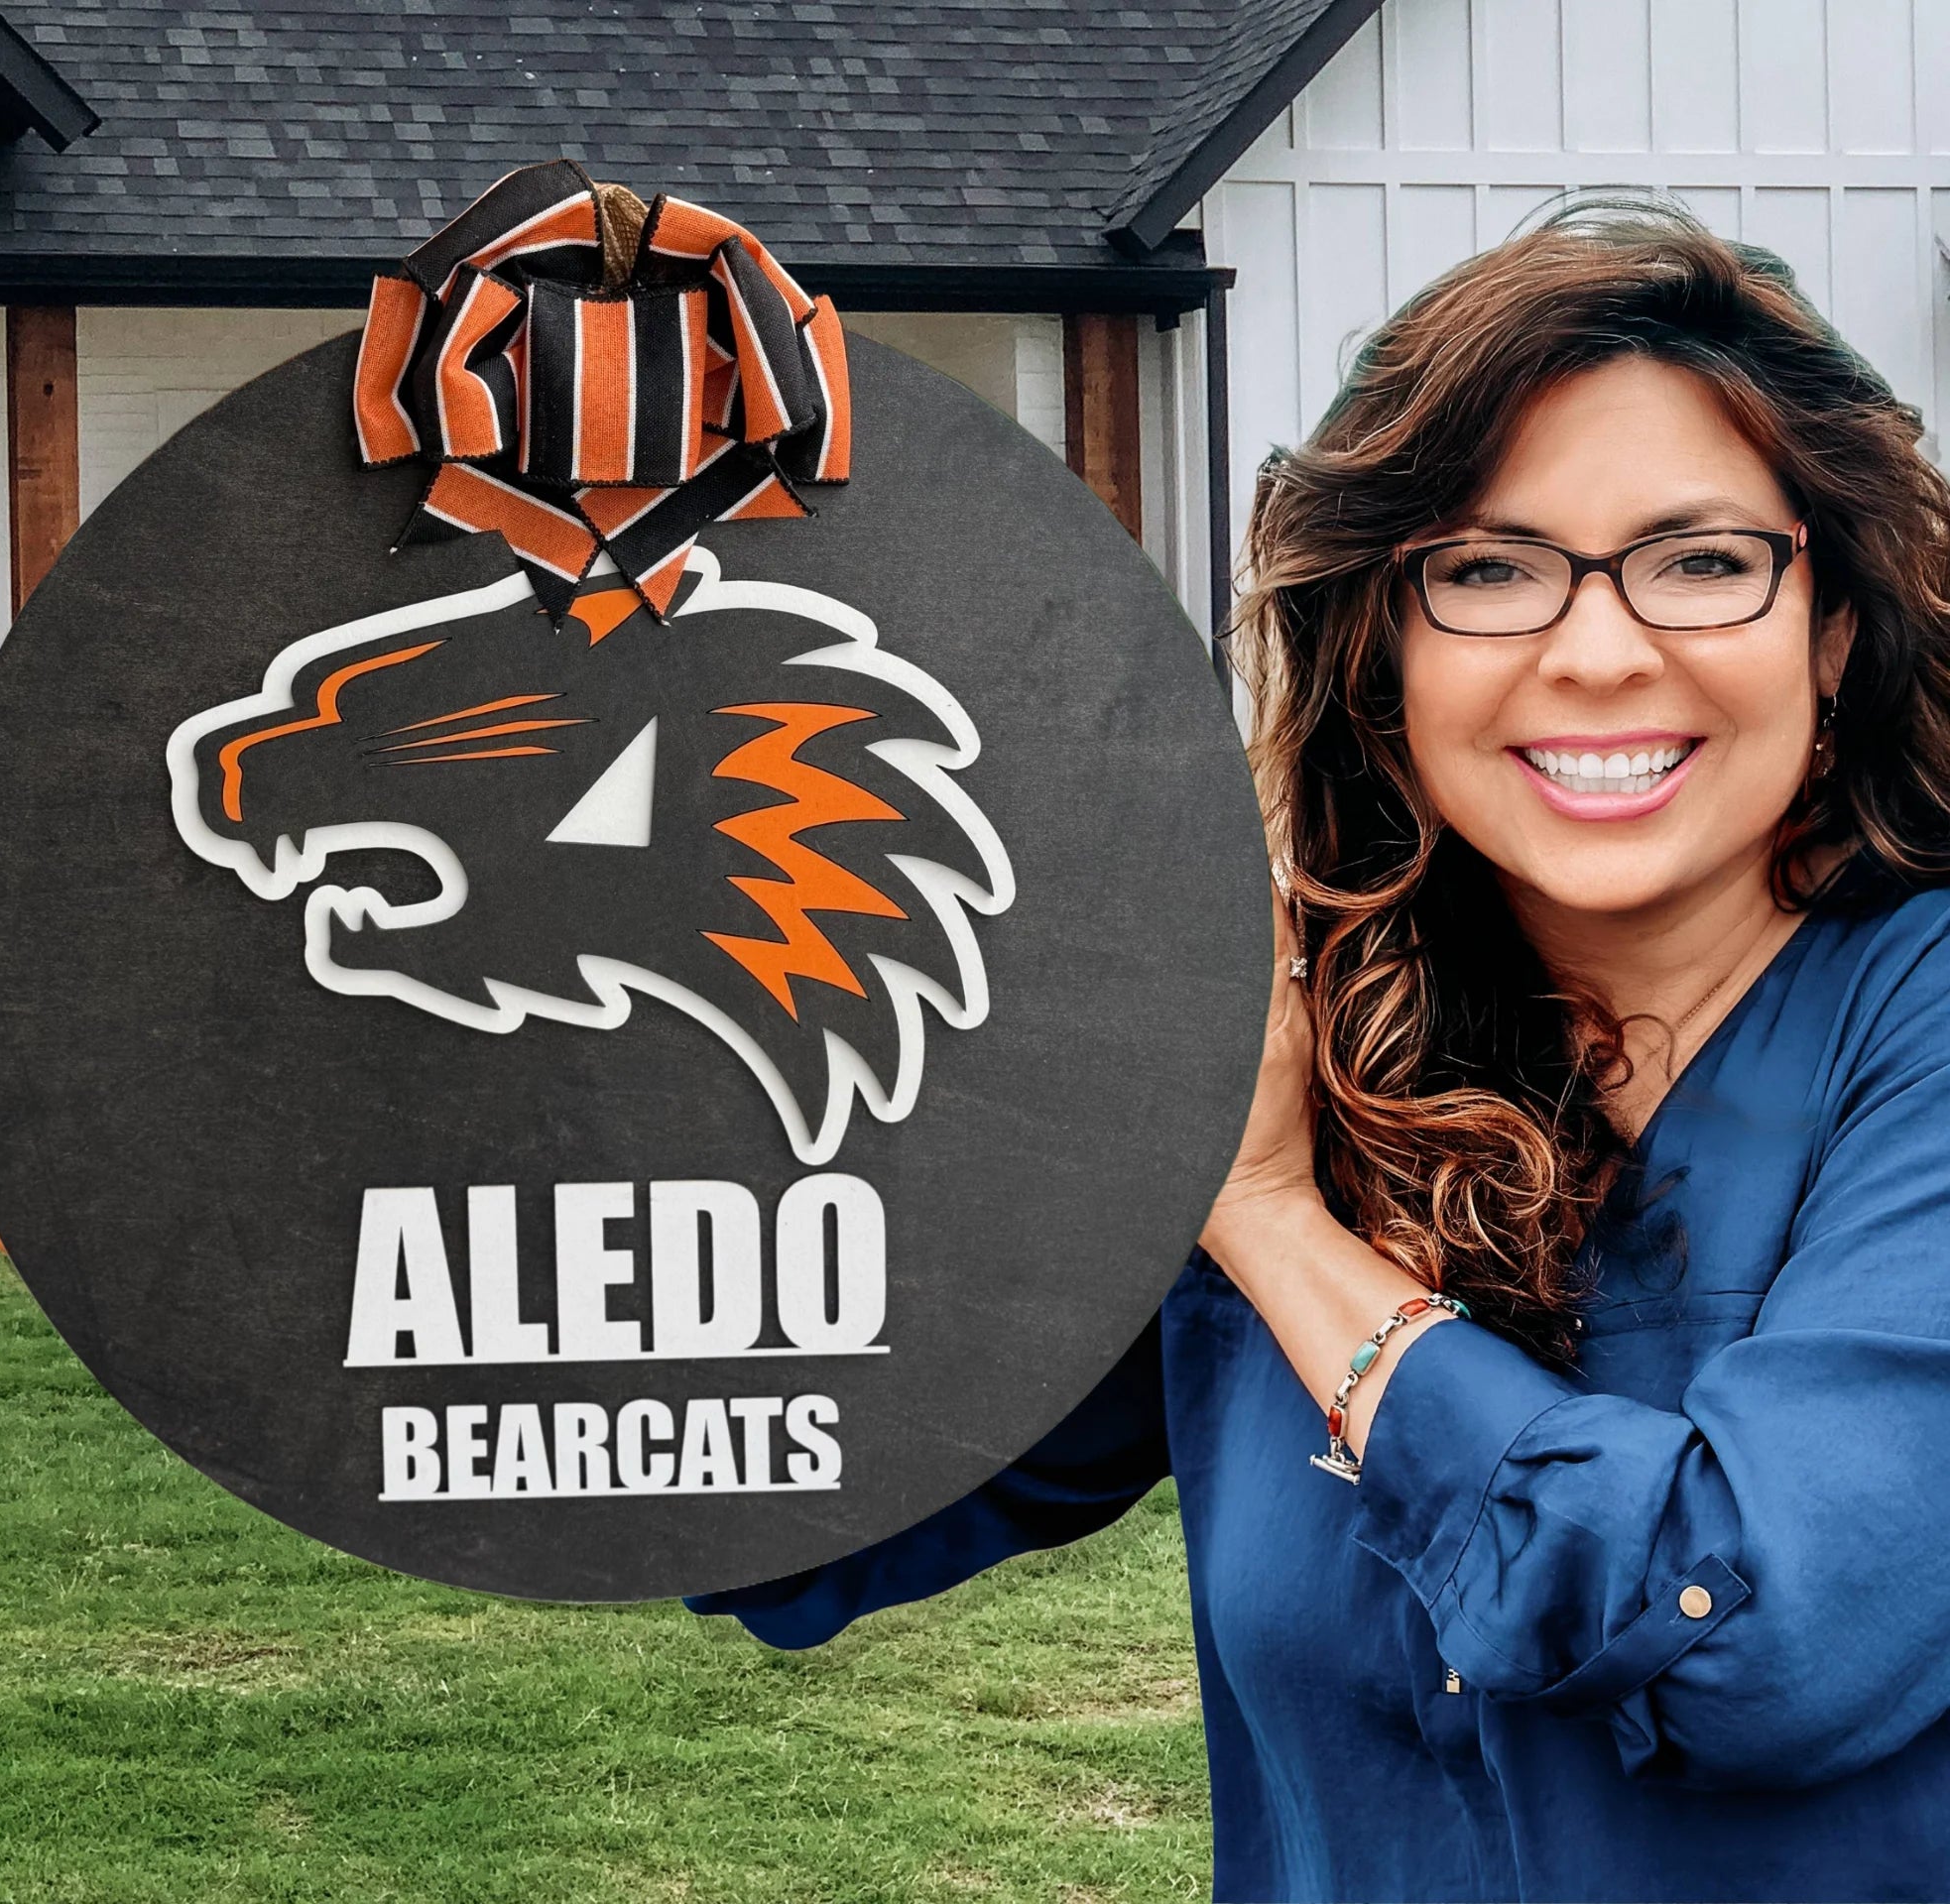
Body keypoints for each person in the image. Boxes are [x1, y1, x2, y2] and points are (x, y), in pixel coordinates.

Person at [688, 198, 1950, 1901]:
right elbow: (801, 1486)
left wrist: (1279, 1227)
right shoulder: (1296, 1037)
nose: (1595, 650)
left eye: (1703, 561)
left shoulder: (1912, 1031)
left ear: (1838, 627)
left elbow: (1762, 1637)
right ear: (1385, 650)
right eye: (1488, 570)